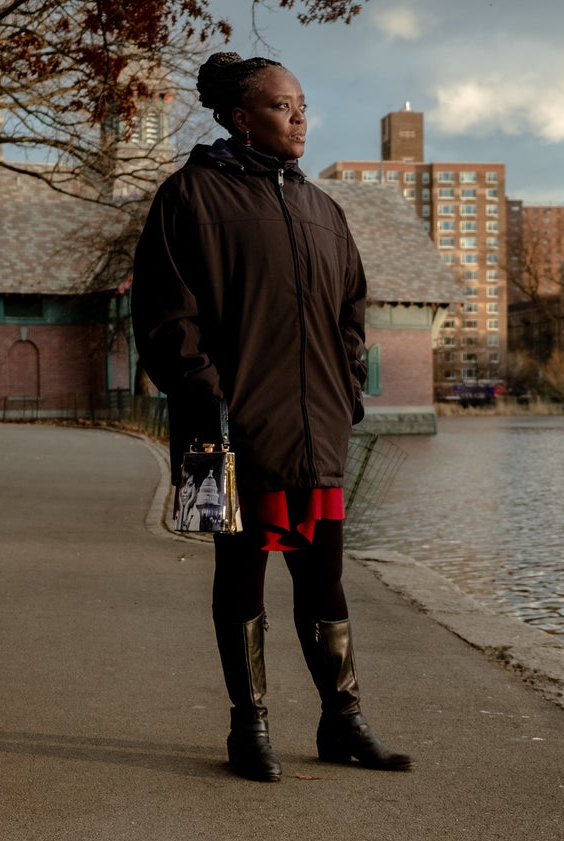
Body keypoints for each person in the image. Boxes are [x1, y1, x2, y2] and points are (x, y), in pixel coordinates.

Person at [131, 52, 413, 782]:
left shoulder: (323, 207)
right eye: (283, 106)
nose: (300, 118)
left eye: (303, 105)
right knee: (242, 572)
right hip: (230, 429)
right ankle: (248, 725)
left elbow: (353, 305)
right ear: (239, 116)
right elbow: (166, 318)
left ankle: (342, 719)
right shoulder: (189, 197)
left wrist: (345, 385)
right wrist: (210, 395)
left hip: (317, 427)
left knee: (324, 575)